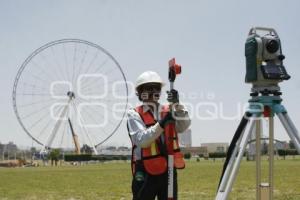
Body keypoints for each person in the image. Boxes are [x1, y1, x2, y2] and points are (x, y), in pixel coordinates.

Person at [127, 71, 191, 200]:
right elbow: (142, 140)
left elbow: (183, 127)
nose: (153, 91)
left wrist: (178, 105)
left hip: (169, 169)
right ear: (140, 92)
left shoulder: (169, 109)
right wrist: (162, 123)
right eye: (148, 88)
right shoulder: (134, 114)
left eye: (156, 88)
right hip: (145, 169)